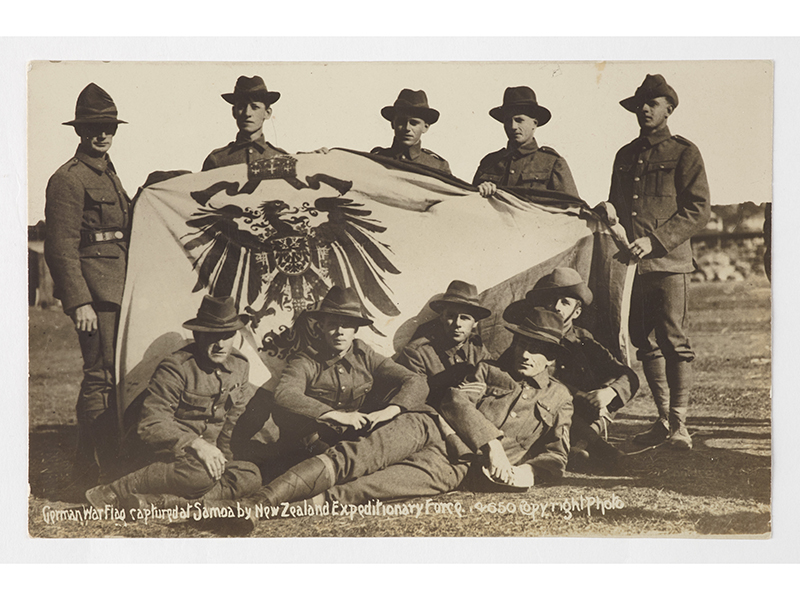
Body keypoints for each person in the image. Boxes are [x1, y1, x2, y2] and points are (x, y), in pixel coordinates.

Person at [237, 307, 572, 518]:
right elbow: (455, 400)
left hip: (456, 465)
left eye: (538, 349)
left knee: (367, 489)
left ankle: (270, 514)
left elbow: (557, 455)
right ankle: (257, 503)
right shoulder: (488, 370)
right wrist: (494, 446)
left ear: (553, 356)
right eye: (523, 345)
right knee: (354, 457)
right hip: (429, 426)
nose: (526, 354)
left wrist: (528, 473)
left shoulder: (560, 398)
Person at [601, 74, 710, 450]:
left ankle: (680, 425)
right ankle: (664, 420)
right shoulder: (625, 155)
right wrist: (607, 213)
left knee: (674, 342)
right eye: (640, 104)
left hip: (669, 265)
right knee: (644, 344)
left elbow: (698, 210)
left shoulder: (684, 152)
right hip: (632, 269)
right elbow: (618, 204)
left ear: (669, 109)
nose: (644, 109)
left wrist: (656, 241)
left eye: (653, 103)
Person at [85, 296, 262, 512]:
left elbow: (230, 424)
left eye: (228, 335)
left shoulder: (240, 366)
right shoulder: (177, 367)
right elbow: (151, 424)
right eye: (213, 335)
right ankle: (112, 491)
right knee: (200, 475)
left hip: (199, 461)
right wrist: (197, 444)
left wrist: (223, 460)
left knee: (251, 475)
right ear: (198, 335)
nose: (220, 344)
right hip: (164, 458)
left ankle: (161, 502)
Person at [44, 83, 132, 489]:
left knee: (111, 376)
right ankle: (104, 470)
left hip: (118, 290)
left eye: (109, 125)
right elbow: (60, 247)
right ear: (80, 130)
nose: (102, 133)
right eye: (94, 126)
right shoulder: (68, 179)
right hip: (95, 296)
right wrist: (79, 302)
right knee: (100, 377)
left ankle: (86, 467)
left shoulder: (110, 173)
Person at [271, 286, 429, 453]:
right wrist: (335, 415)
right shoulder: (306, 360)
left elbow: (416, 380)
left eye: (346, 325)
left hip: (353, 438)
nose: (339, 332)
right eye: (332, 324)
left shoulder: (364, 355)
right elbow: (284, 394)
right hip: (314, 442)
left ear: (355, 330)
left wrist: (391, 410)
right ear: (322, 327)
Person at [511, 267, 639, 471]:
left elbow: (628, 376)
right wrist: (573, 392)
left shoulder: (583, 340)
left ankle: (580, 446)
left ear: (577, 312)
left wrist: (610, 392)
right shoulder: (529, 336)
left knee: (603, 398)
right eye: (551, 300)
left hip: (581, 414)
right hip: (541, 415)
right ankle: (597, 449)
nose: (556, 307)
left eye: (565, 302)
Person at [473, 86, 579, 199]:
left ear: (534, 124)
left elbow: (572, 208)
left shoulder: (552, 163)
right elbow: (472, 206)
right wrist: (481, 190)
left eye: (519, 120)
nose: (513, 127)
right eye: (508, 121)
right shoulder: (489, 163)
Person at [397, 280, 494, 402]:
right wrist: (455, 394)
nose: (457, 324)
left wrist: (484, 388)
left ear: (475, 323)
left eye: (465, 318)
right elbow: (413, 397)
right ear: (442, 317)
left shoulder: (477, 348)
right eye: (451, 316)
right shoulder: (417, 353)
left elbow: (494, 380)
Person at [202, 75, 286, 171]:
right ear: (234, 112)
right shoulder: (217, 160)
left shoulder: (281, 158)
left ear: (267, 113)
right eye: (241, 107)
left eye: (254, 107)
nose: (247, 113)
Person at [371, 89, 451, 175]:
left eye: (414, 123)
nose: (407, 128)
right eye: (401, 122)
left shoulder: (437, 166)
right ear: (393, 124)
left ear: (425, 127)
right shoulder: (377, 158)